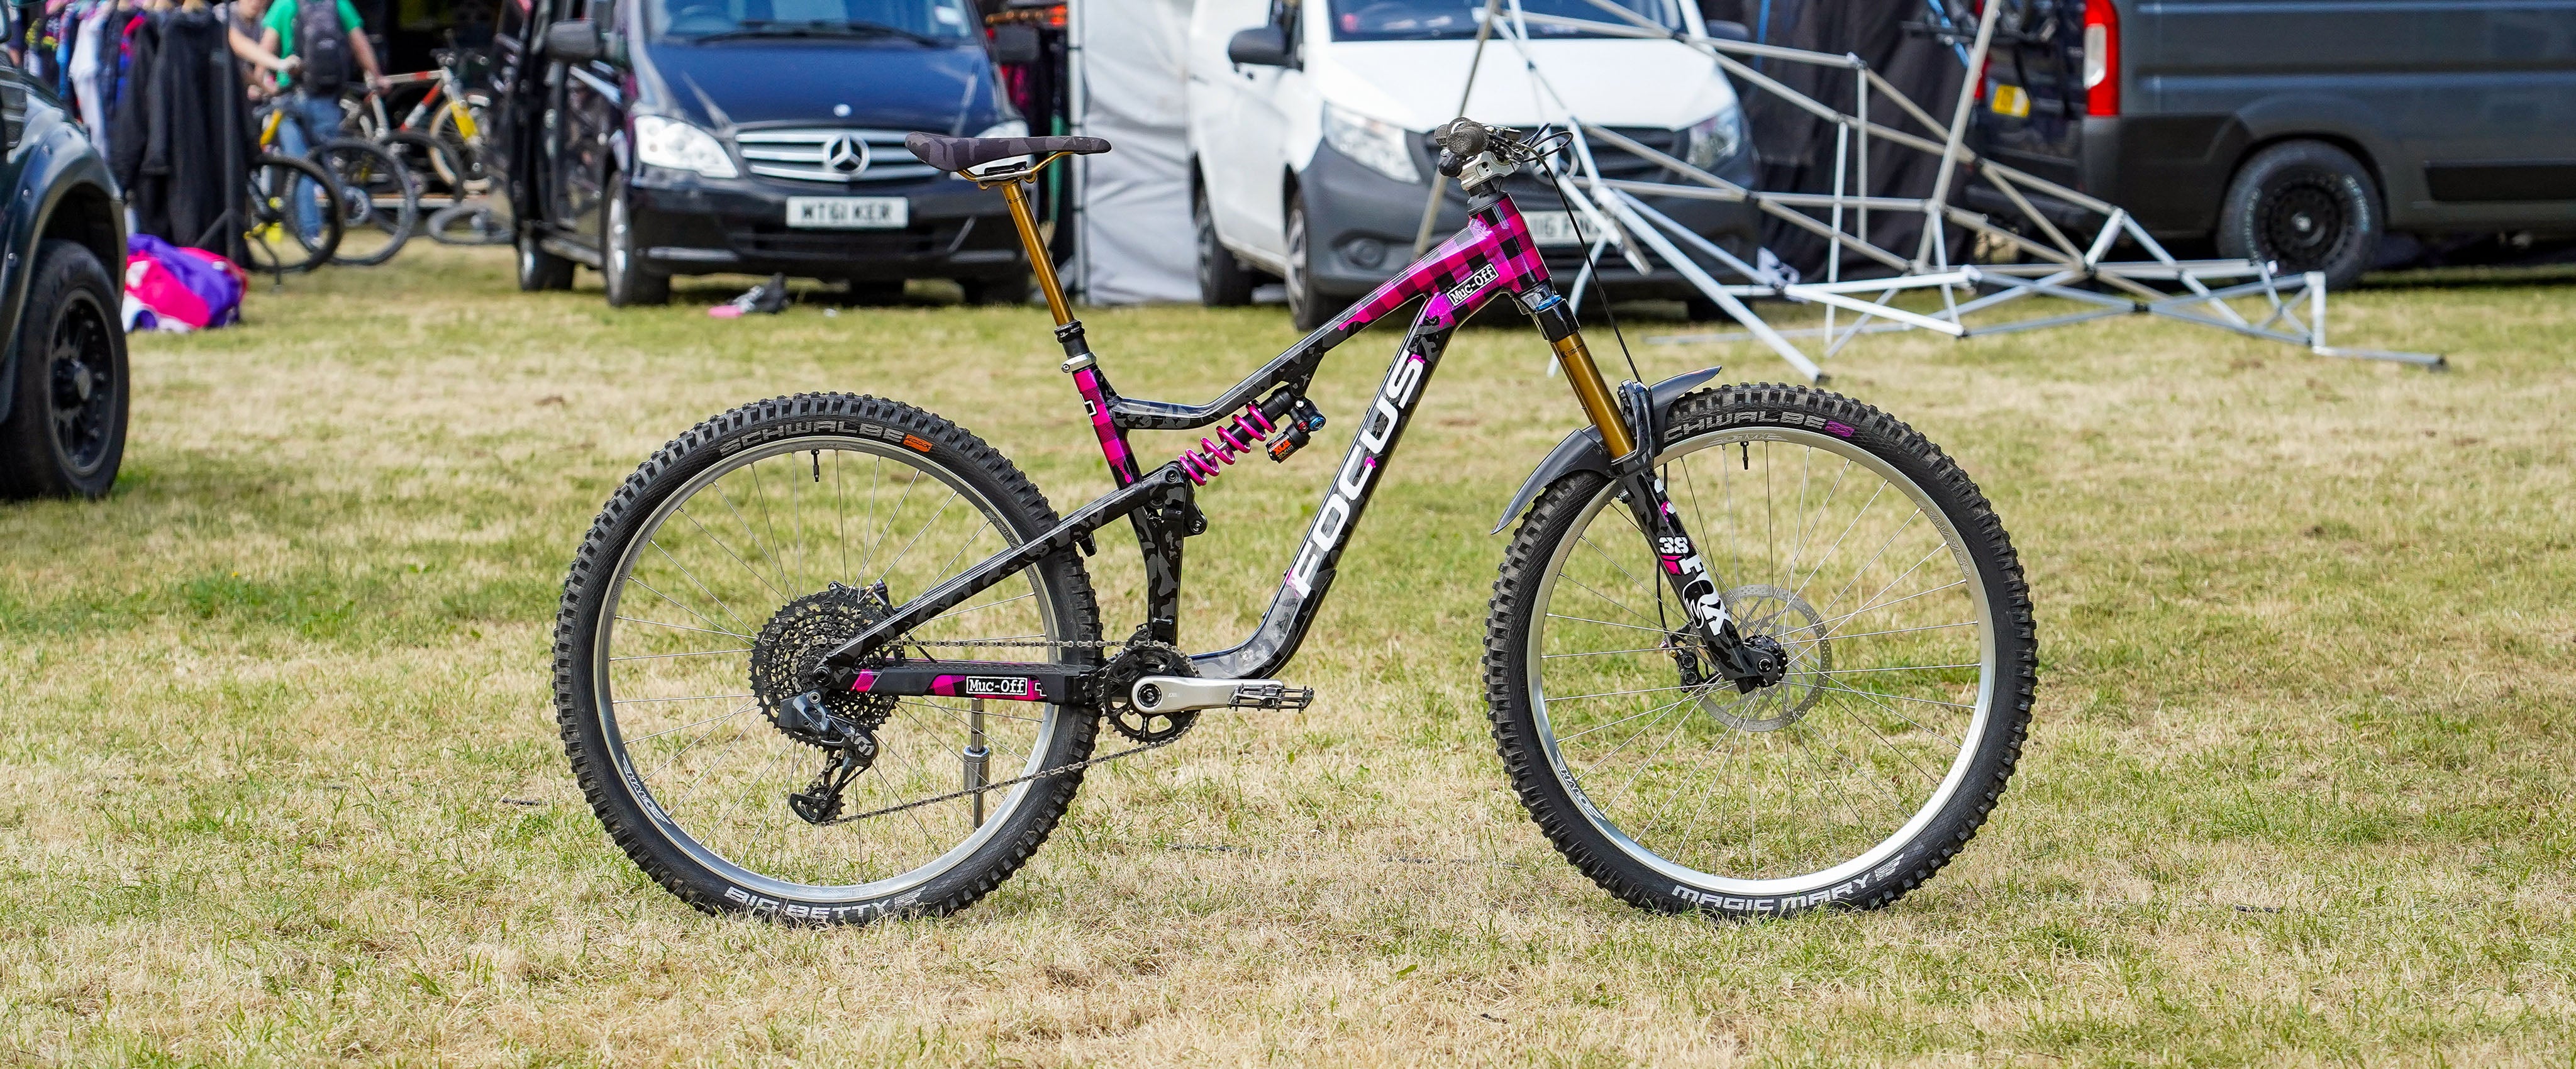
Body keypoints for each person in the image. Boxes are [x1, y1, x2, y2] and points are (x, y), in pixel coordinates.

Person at [256, 0, 382, 235]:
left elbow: (266, 47)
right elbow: (360, 43)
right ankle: (342, 214)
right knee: (324, 162)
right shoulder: (338, 3)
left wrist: (257, 82)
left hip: (291, 96)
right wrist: (376, 76)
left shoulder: (284, 5)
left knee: (301, 165)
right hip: (326, 96)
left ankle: (311, 234)